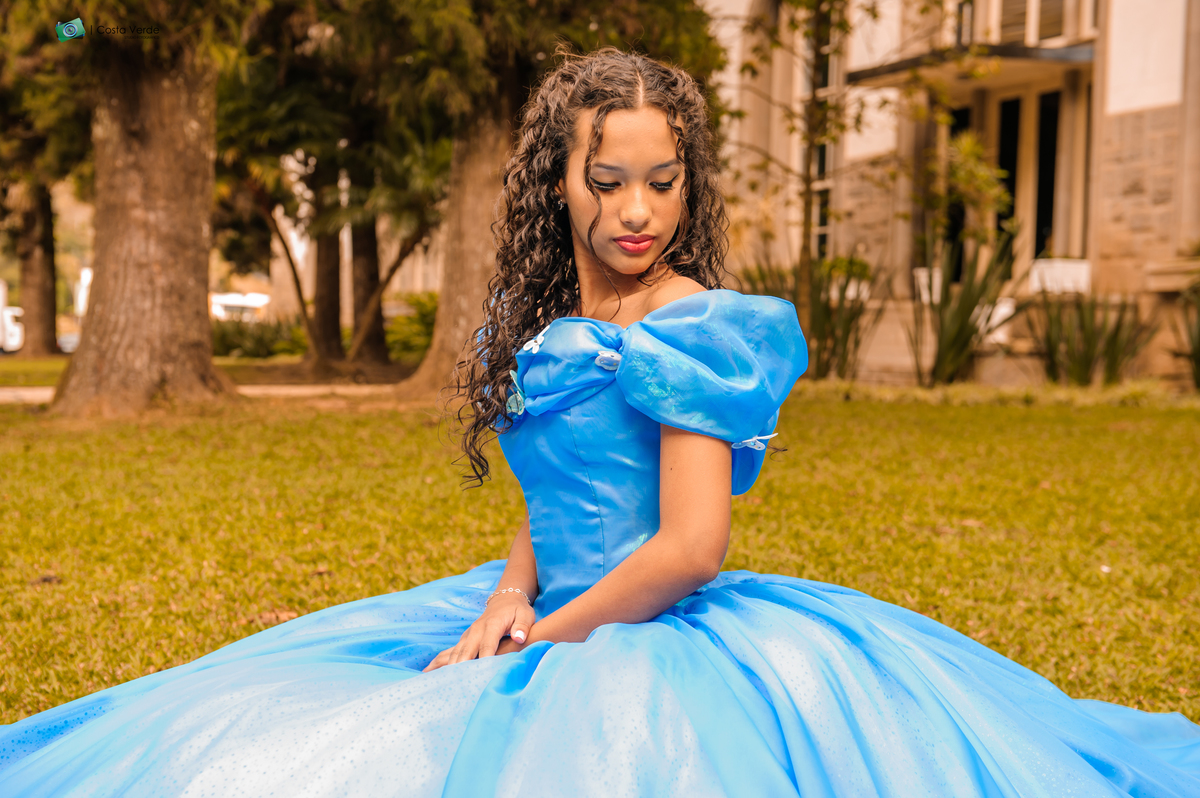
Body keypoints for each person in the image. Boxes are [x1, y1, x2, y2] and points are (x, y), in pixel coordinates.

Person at [1, 49, 1198, 798]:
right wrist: (507, 595)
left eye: (662, 182)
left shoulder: (690, 322)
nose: (637, 211)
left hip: (651, 626)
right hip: (550, 602)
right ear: (557, 182)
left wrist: (546, 640)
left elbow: (691, 547)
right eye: (608, 180)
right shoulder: (545, 319)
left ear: (689, 182)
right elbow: (555, 489)